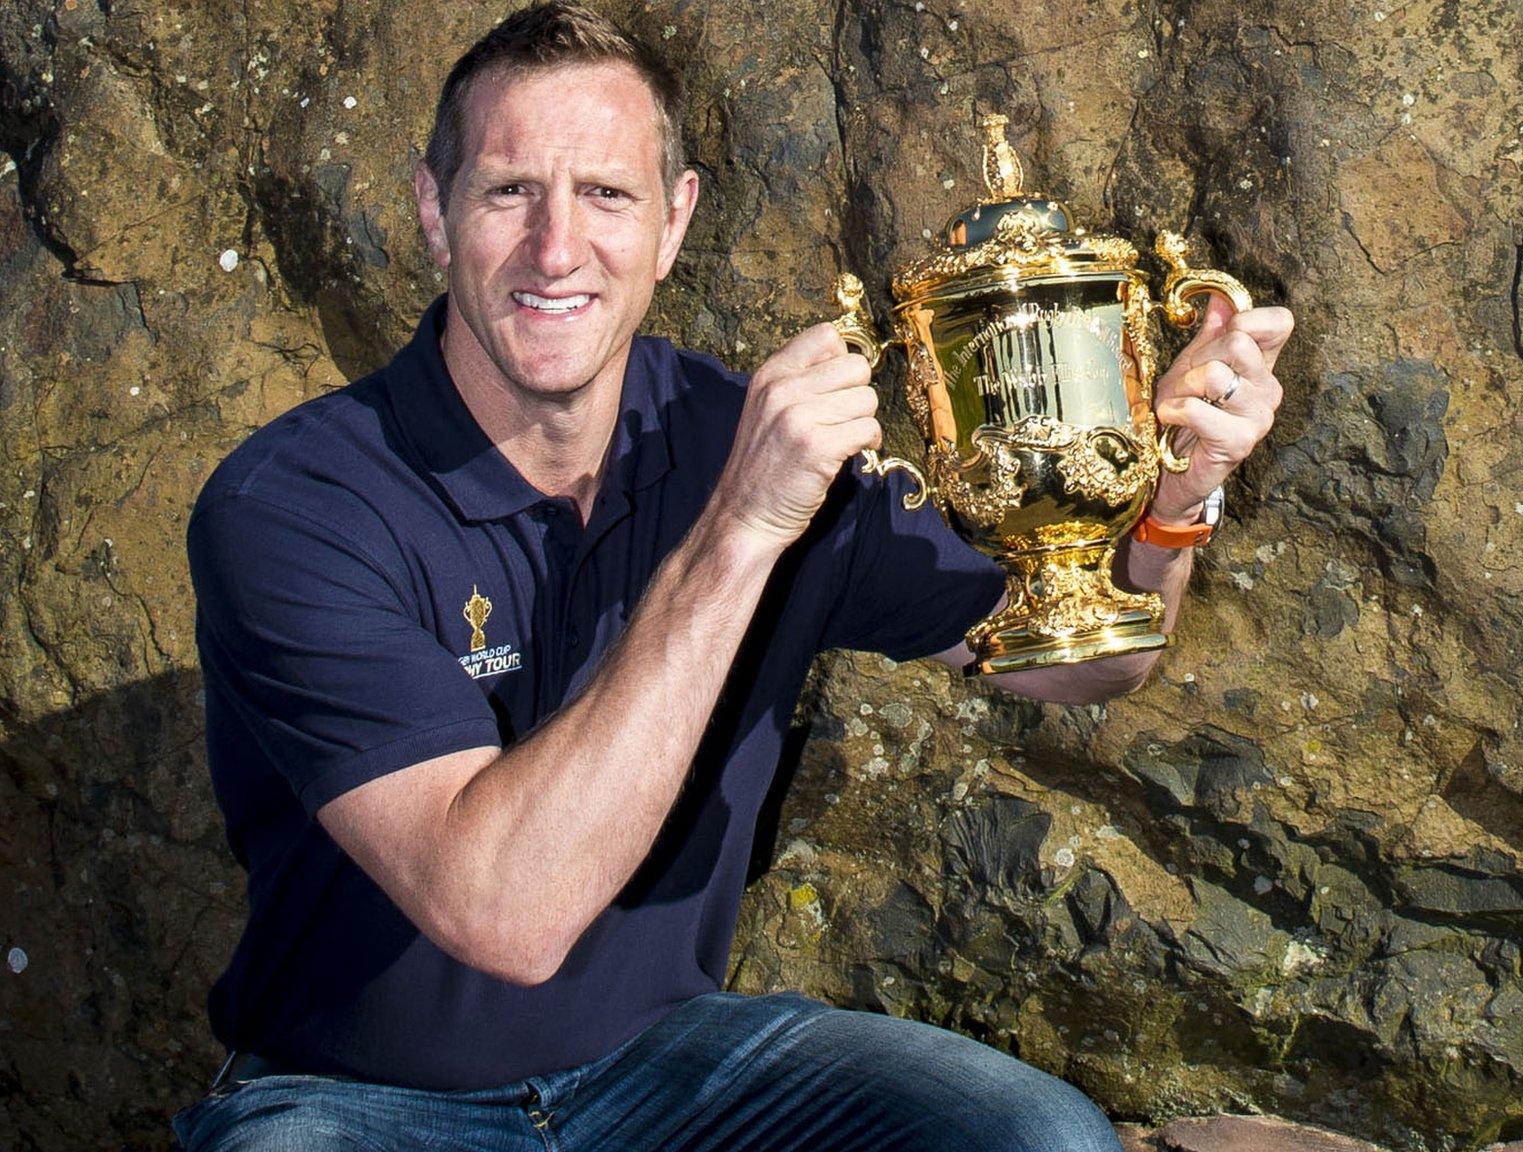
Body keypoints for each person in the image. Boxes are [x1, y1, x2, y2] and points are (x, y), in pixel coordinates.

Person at [174, 3, 1292, 1149]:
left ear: (673, 222)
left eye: (607, 195)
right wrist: (741, 527)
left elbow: (1082, 668)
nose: (556, 250)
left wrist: (1175, 486)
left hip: (672, 1071)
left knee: (1034, 1136)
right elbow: (500, 915)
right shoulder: (298, 506)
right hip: (349, 1101)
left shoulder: (729, 426)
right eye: (509, 191)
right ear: (432, 211)